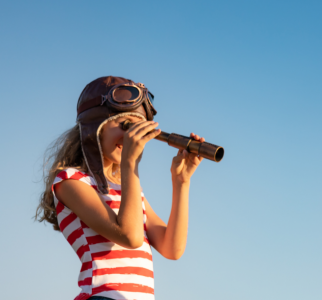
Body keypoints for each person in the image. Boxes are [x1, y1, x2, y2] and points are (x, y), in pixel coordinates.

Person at [35, 76, 205, 300]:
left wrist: (181, 182)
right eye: (123, 125)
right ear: (94, 127)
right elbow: (130, 236)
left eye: (136, 128)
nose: (129, 137)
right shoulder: (70, 181)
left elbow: (171, 248)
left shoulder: (128, 193)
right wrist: (130, 164)